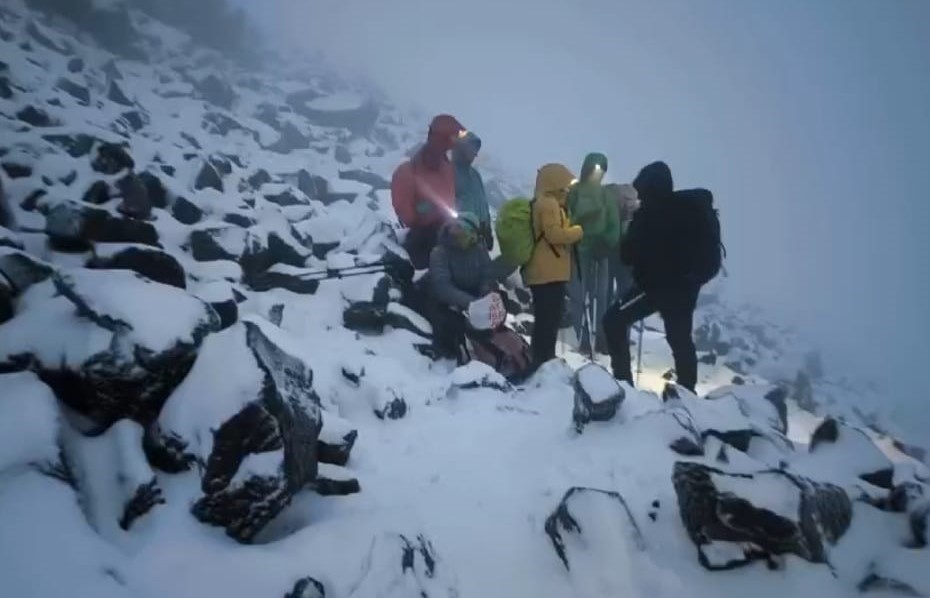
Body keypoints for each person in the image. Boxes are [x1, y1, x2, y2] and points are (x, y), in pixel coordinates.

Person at [602, 161, 704, 392]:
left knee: (613, 321)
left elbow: (628, 255)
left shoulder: (649, 214)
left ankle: (623, 384)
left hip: (655, 289)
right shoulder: (686, 211)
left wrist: (631, 226)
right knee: (680, 340)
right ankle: (687, 392)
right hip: (686, 290)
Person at [523, 163, 583, 369]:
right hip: (547, 272)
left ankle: (541, 359)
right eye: (565, 184)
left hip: (546, 272)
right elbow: (554, 235)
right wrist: (577, 232)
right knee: (548, 319)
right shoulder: (548, 204)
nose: (567, 188)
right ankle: (542, 361)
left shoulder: (547, 202)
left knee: (546, 318)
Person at [391, 114, 466, 270]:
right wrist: (429, 211)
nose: (451, 148)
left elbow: (451, 198)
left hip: (446, 235)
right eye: (449, 142)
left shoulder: (447, 168)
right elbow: (407, 215)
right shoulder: (407, 172)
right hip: (423, 242)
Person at [566, 153, 620, 355]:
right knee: (579, 294)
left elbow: (613, 223)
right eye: (595, 168)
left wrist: (608, 242)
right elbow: (567, 216)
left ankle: (600, 338)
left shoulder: (606, 195)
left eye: (601, 169)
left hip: (598, 250)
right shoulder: (575, 192)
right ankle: (581, 338)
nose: (598, 172)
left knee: (600, 295)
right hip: (579, 249)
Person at [428, 212, 496, 361]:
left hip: (473, 296)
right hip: (449, 302)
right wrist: (470, 303)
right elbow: (442, 287)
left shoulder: (478, 249)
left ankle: (489, 347)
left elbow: (487, 274)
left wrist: (485, 292)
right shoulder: (440, 253)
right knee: (449, 321)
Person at [451, 132, 493, 251]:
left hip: (479, 237)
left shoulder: (475, 175)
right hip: (459, 237)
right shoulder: (449, 172)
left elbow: (483, 203)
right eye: (472, 148)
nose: (475, 154)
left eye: (476, 150)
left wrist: (487, 229)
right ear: (461, 148)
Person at [604, 183, 640, 303]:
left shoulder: (607, 209)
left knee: (605, 290)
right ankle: (622, 317)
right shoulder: (634, 214)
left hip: (607, 253)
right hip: (626, 258)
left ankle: (603, 317)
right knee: (625, 290)